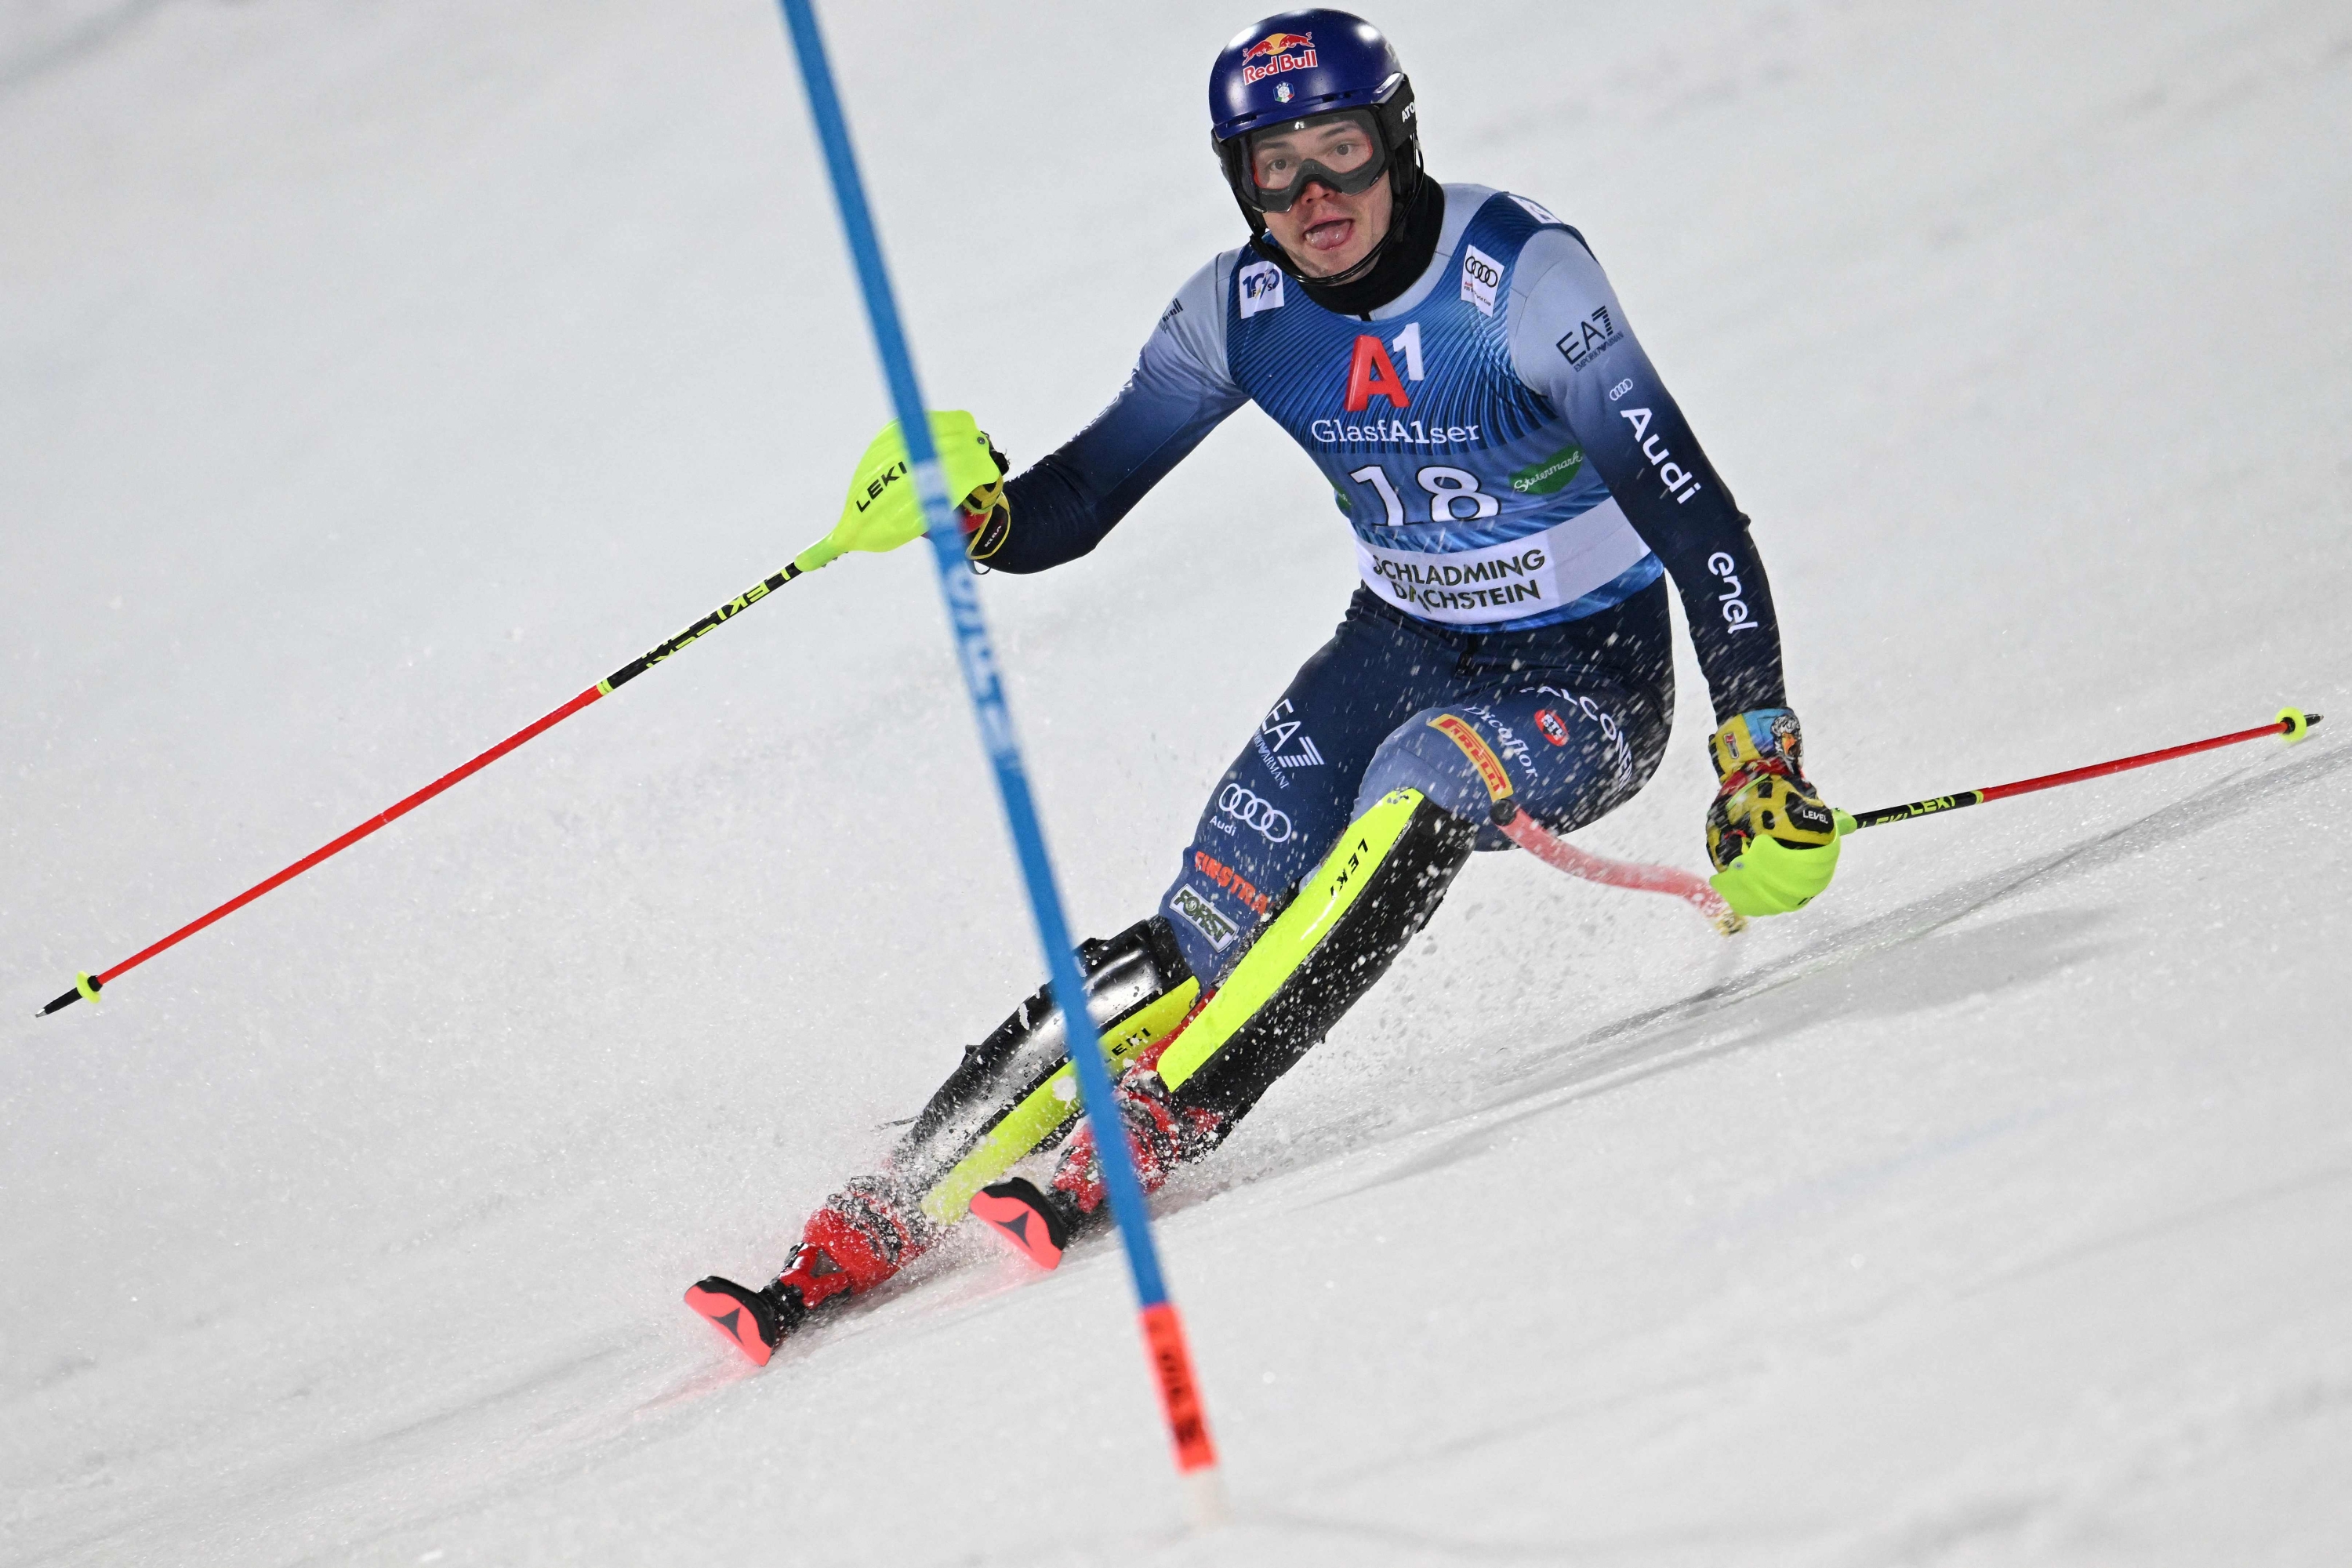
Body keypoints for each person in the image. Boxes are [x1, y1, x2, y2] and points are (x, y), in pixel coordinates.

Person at [686, 7, 1839, 1366]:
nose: (1311, 198)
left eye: (1340, 153)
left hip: (1585, 673)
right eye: (1270, 170)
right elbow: (1081, 496)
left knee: (1421, 784)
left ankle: (1167, 1115)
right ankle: (876, 1208)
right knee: (1204, 917)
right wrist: (973, 514)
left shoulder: (1525, 282)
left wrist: (1756, 752)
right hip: (1393, 643)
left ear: (1397, 141)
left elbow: (1696, 517)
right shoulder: (1237, 310)